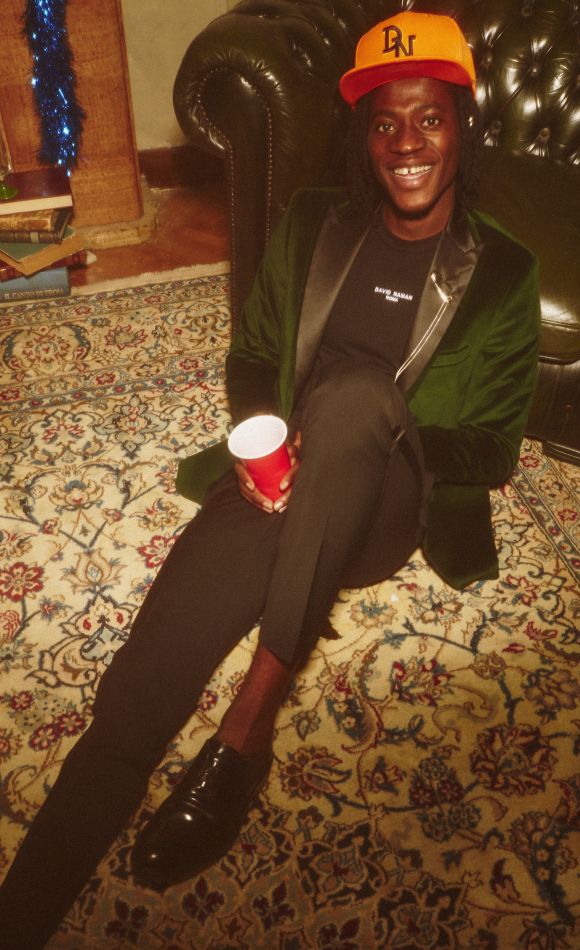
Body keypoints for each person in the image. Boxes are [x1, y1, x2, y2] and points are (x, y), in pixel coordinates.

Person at [0, 12, 539, 947]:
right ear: (363, 137)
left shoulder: (504, 273)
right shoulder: (312, 223)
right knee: (139, 690)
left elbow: (492, 448)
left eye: (430, 118)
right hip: (282, 481)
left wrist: (384, 434)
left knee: (357, 397)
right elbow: (252, 353)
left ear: (463, 128)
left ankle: (247, 730)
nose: (406, 143)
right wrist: (266, 440)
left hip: (384, 504)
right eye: (384, 123)